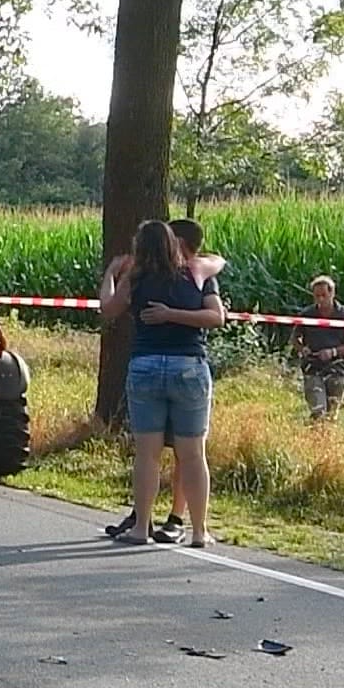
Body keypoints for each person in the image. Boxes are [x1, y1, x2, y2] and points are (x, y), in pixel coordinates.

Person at [101, 219, 225, 547]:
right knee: (193, 453)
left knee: (147, 454)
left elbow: (108, 308)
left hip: (145, 363)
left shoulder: (136, 278)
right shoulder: (195, 272)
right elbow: (217, 278)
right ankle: (199, 531)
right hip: (188, 364)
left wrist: (111, 275)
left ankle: (142, 526)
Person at [294, 274, 344, 421]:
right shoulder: (307, 315)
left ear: (332, 293)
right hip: (313, 367)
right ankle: (315, 438)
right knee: (318, 410)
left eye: (324, 295)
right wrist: (302, 348)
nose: (320, 299)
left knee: (331, 414)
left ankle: (325, 439)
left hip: (337, 368)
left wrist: (334, 352)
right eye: (317, 296)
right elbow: (294, 338)